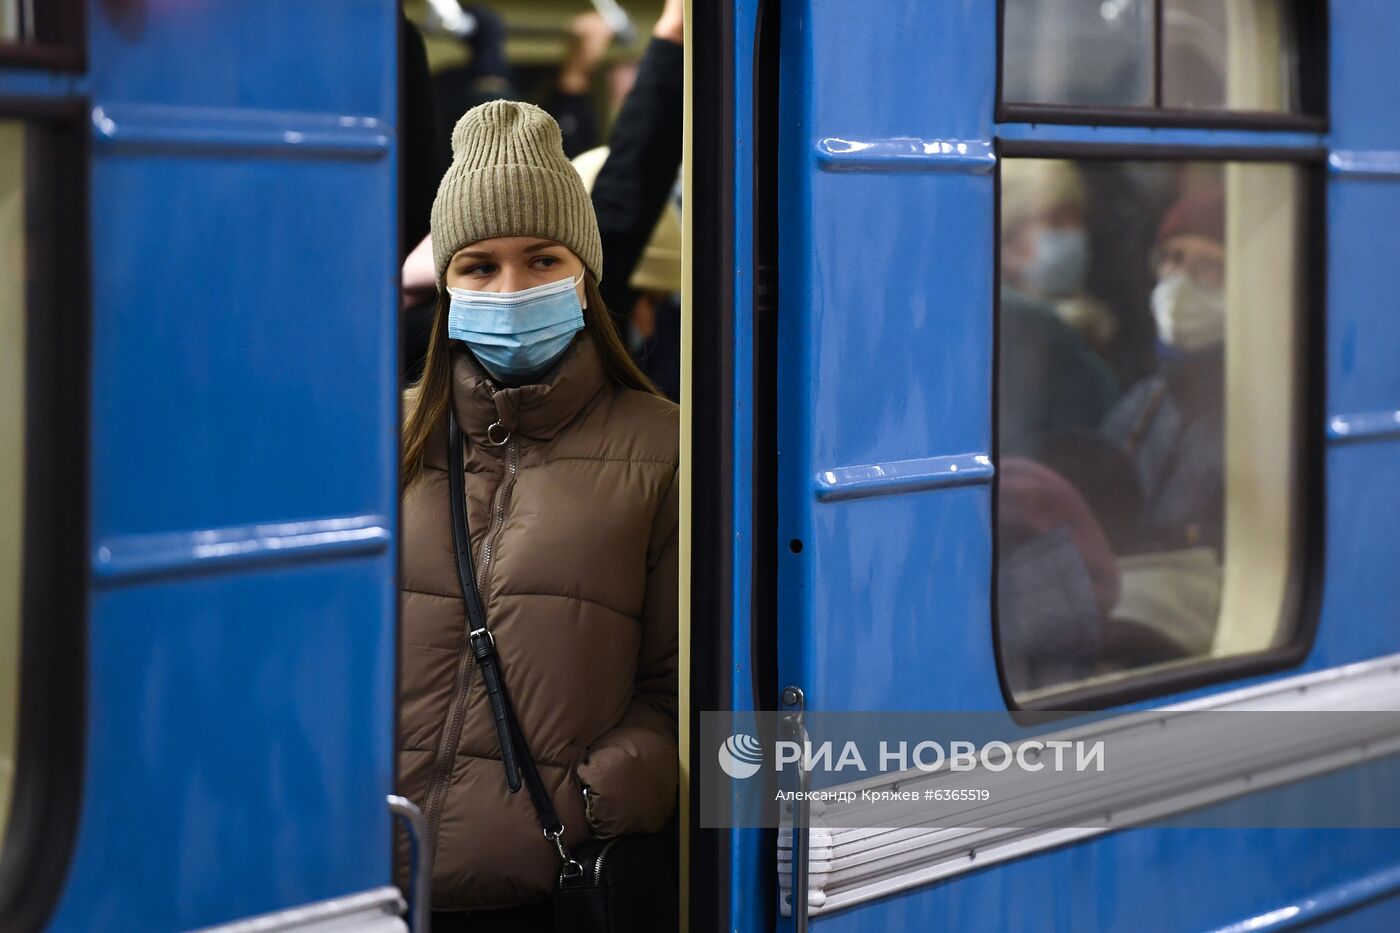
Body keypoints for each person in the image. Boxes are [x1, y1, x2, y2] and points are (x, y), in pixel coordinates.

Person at [398, 100, 679, 931]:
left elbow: (680, 686)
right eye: (479, 265)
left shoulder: (665, 448)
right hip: (372, 887)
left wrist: (606, 794)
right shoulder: (386, 436)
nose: (511, 288)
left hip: (542, 897)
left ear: (585, 274)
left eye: (542, 258)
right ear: (446, 283)